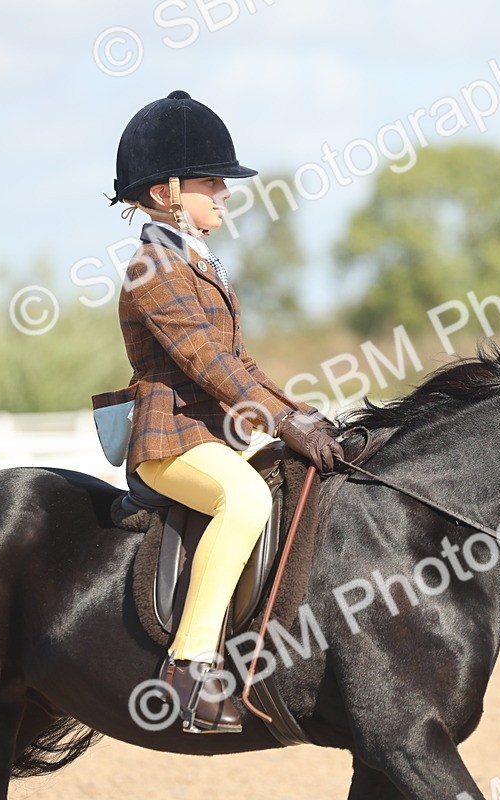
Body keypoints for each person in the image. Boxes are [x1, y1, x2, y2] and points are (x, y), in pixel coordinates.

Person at [95, 90, 343, 734]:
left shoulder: (197, 261)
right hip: (170, 443)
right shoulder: (151, 268)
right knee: (246, 500)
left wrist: (304, 415)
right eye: (212, 182)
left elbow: (241, 362)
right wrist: (280, 422)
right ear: (167, 193)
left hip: (213, 436)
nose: (225, 194)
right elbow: (207, 361)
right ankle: (188, 668)